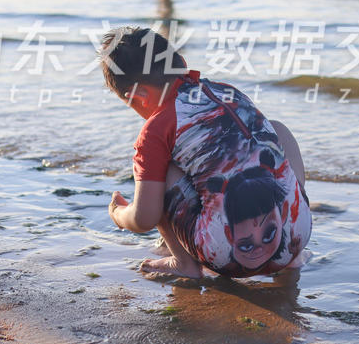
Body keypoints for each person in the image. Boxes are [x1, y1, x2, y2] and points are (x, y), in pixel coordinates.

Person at [101, 26, 312, 279]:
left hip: (226, 255)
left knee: (161, 168)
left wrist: (119, 214)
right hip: (294, 238)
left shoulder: (156, 128)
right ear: (183, 63)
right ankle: (292, 242)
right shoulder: (226, 92)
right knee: (276, 130)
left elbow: (145, 217)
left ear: (139, 96)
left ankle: (184, 263)